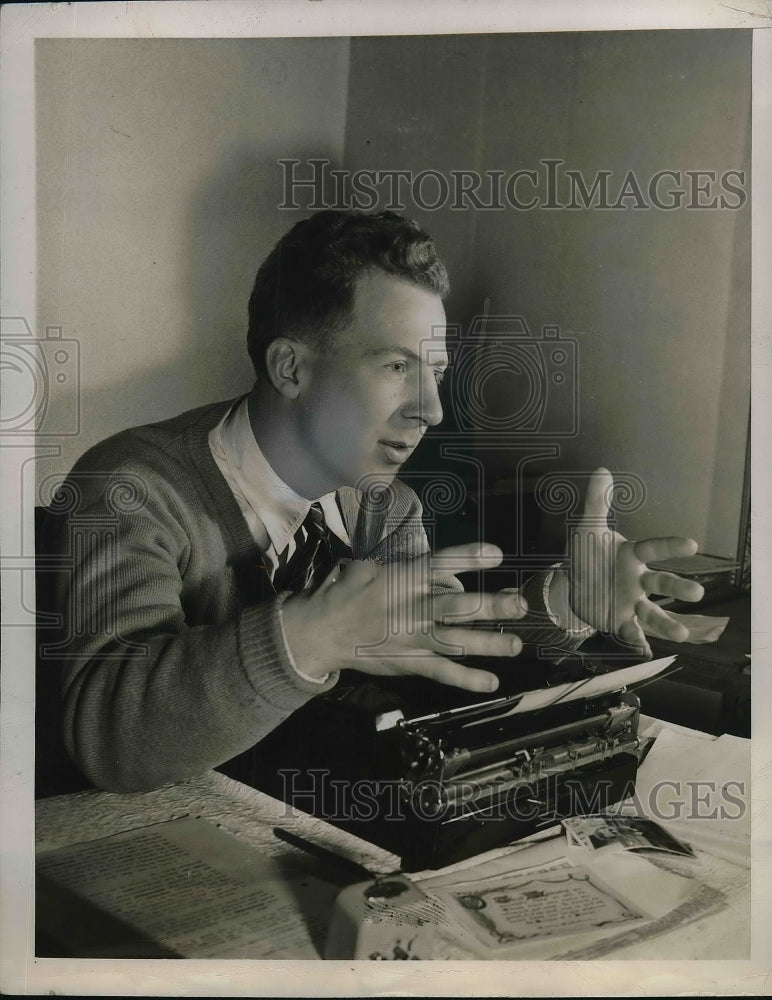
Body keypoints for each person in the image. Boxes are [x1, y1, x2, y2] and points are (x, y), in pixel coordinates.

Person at [46, 210, 703, 793]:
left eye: (436, 374)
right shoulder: (132, 488)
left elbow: (433, 654)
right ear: (291, 368)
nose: (430, 409)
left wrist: (562, 603)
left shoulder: (386, 511)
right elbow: (108, 742)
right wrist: (314, 635)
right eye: (397, 368)